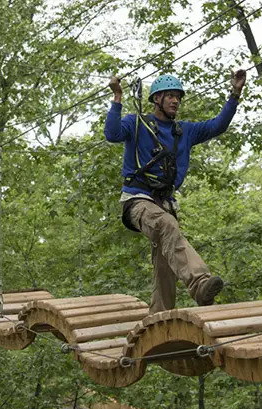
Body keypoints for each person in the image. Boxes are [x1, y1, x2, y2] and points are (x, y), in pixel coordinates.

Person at [104, 71, 246, 313]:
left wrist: (235, 93)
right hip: (137, 200)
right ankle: (199, 283)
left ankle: (160, 320)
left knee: (166, 265)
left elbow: (217, 126)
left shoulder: (185, 131)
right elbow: (112, 134)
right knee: (167, 225)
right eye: (170, 96)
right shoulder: (137, 123)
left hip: (164, 204)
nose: (175, 101)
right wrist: (117, 97)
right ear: (156, 99)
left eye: (177, 97)